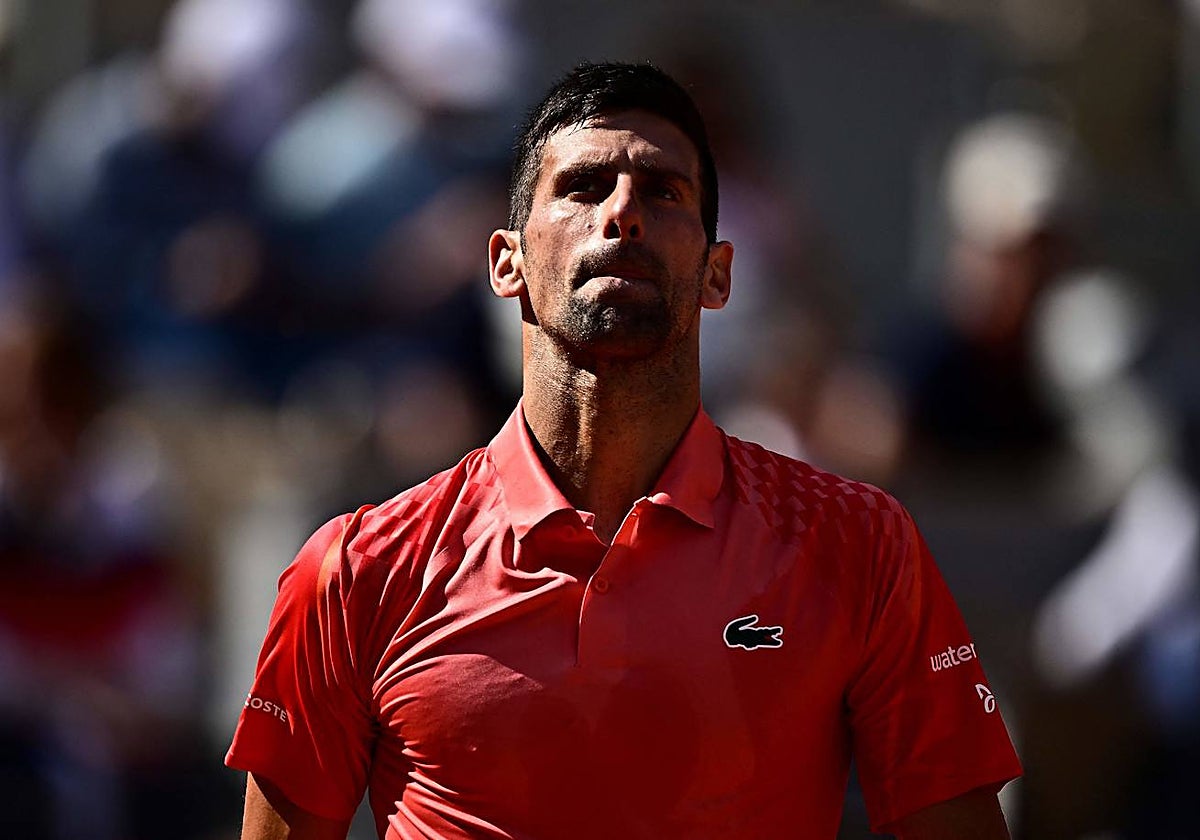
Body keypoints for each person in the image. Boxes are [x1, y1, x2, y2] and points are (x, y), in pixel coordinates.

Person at [226, 62, 1021, 839]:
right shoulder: (355, 570)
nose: (623, 213)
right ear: (506, 263)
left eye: (664, 192)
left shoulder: (861, 547)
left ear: (717, 274)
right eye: (582, 187)